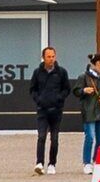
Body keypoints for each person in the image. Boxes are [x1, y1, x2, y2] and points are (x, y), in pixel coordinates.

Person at [27, 46, 74, 174]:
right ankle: (39, 163)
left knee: (54, 138)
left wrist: (59, 98)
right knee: (41, 137)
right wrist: (38, 99)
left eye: (53, 56)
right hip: (42, 109)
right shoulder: (37, 72)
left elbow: (67, 89)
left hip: (56, 110)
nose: (51, 59)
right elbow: (32, 89)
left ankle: (52, 163)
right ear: (43, 58)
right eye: (48, 56)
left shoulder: (61, 72)